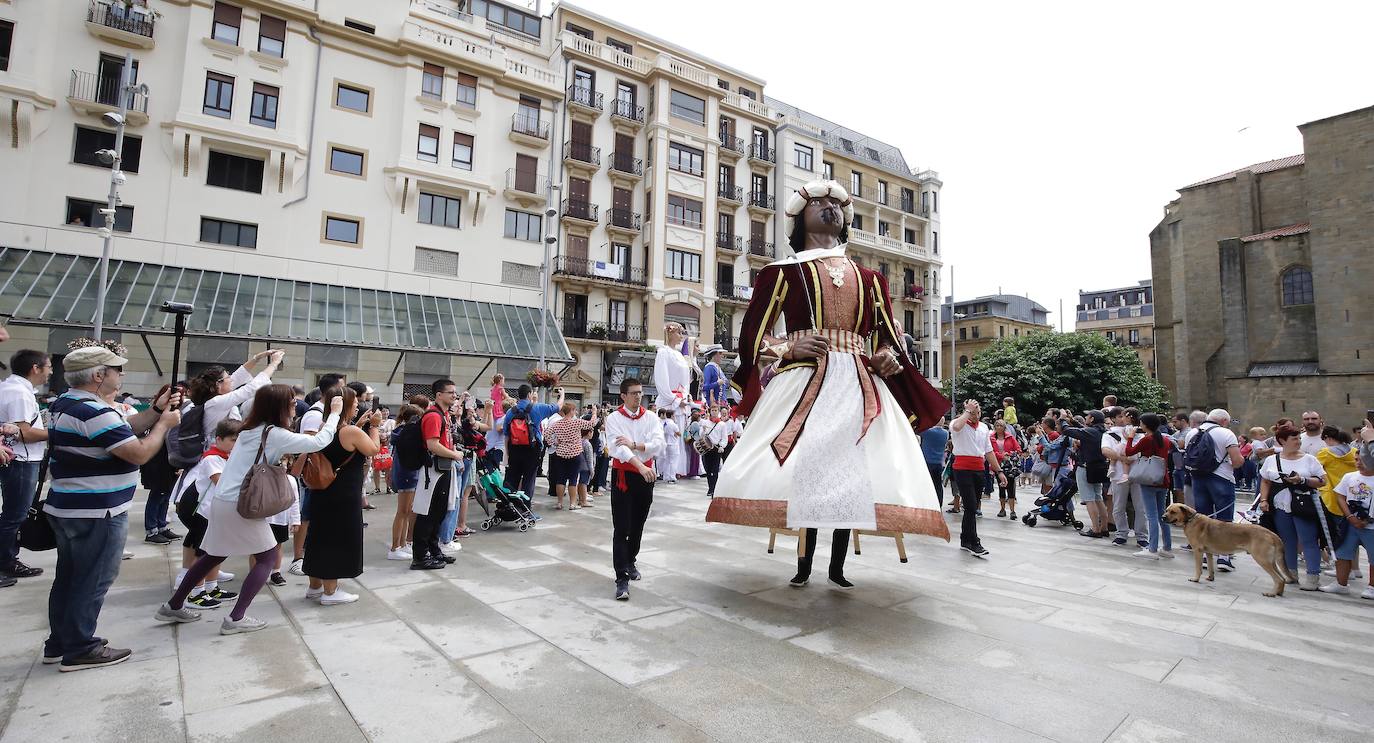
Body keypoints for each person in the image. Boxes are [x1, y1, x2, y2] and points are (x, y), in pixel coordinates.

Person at [707, 178, 951, 580]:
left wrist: (888, 357)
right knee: (807, 471)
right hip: (804, 379)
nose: (829, 207)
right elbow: (752, 337)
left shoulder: (871, 278)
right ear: (799, 216)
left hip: (858, 382)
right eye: (818, 201)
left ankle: (837, 568)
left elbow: (890, 339)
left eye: (836, 203)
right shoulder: (781, 272)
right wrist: (788, 349)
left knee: (849, 474)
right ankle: (803, 567)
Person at [157, 385, 340, 634]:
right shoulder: (272, 433)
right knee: (266, 558)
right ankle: (236, 618)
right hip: (240, 503)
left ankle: (174, 604)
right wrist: (334, 414)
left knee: (213, 555)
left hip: (224, 501)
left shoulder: (249, 428)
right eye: (291, 402)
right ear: (279, 406)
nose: (295, 405)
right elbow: (319, 441)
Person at [45, 346, 181, 669]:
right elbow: (137, 452)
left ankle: (60, 641)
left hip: (69, 507)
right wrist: (163, 426)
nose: (121, 376)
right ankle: (80, 646)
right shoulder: (95, 411)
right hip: (97, 510)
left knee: (69, 576)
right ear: (98, 375)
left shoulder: (69, 403)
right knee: (93, 578)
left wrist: (156, 411)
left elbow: (121, 431)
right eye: (116, 370)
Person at [304, 386, 380, 605]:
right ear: (346, 405)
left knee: (319, 536)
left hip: (323, 491)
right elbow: (373, 449)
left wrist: (359, 425)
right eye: (355, 402)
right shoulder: (350, 432)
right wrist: (373, 426)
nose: (358, 405)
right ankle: (330, 591)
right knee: (337, 538)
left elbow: (340, 447)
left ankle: (315, 587)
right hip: (343, 494)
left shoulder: (325, 427)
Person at [604, 378, 663, 601]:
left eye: (640, 393)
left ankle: (630, 560)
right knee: (621, 527)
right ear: (623, 396)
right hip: (625, 476)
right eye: (634, 393)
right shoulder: (613, 418)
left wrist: (636, 445)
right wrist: (638, 463)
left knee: (638, 524)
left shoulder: (650, 418)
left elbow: (659, 444)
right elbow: (618, 448)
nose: (638, 396)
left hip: (645, 476)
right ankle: (621, 578)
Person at [171, 419, 242, 606]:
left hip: (213, 512)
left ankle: (211, 587)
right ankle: (196, 593)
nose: (236, 445)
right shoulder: (212, 458)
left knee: (216, 550)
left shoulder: (226, 457)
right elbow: (223, 484)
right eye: (233, 440)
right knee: (203, 553)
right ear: (219, 439)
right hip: (201, 512)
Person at [0, 349, 52, 584]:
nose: (50, 371)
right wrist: (56, 433)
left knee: (13, 514)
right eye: (48, 366)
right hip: (21, 460)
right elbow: (23, 433)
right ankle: (6, 562)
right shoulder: (19, 393)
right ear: (35, 368)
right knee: (15, 515)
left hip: (18, 459)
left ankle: (8, 559)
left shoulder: (13, 388)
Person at [1258, 424, 1328, 590]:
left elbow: (1323, 481)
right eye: (1294, 438)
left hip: (1303, 503)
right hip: (1280, 504)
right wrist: (1264, 500)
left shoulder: (1309, 459)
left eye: (1299, 438)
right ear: (1282, 441)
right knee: (1287, 540)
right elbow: (1265, 481)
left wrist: (1302, 480)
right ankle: (1290, 573)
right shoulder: (1271, 459)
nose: (1298, 441)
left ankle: (1313, 576)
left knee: (1308, 539)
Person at [288, 372, 344, 576]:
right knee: (306, 515)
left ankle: (305, 553)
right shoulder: (316, 413)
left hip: (320, 472)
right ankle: (297, 558)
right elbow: (309, 444)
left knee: (312, 516)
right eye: (341, 388)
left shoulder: (326, 412)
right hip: (312, 473)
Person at [411, 380, 464, 570]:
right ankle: (420, 556)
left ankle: (433, 550)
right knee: (428, 513)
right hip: (433, 470)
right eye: (450, 392)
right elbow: (433, 445)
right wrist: (455, 455)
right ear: (439, 395)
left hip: (443, 468)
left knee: (439, 512)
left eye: (455, 393)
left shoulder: (445, 415)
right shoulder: (434, 416)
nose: (454, 396)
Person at [1184, 408, 1245, 571]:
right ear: (1224, 421)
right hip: (1222, 478)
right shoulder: (1226, 433)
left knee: (1203, 517)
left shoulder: (1192, 432)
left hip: (1197, 478)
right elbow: (1237, 460)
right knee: (1224, 519)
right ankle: (1224, 557)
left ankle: (1205, 555)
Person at [950, 401, 1006, 556]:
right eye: (972, 412)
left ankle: (965, 539)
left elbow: (988, 451)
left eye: (978, 412)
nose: (976, 415)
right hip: (962, 468)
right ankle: (974, 541)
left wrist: (999, 471)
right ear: (966, 411)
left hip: (979, 469)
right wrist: (967, 411)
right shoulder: (958, 423)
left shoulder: (984, 427)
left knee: (972, 507)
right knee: (970, 505)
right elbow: (956, 427)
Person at [1323, 440, 1374, 598]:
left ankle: (1372, 586)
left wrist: (1367, 519)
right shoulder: (1349, 476)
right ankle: (1341, 583)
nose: (1359, 463)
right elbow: (1340, 496)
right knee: (1343, 552)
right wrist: (1349, 516)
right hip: (1350, 522)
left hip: (1370, 525)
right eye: (1357, 459)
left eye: (1363, 460)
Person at [1124, 413, 1175, 559]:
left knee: (1151, 515)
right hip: (1163, 479)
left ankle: (1152, 549)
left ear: (1145, 425)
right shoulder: (1165, 440)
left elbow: (1129, 452)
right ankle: (1167, 547)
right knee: (1162, 515)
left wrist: (1130, 437)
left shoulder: (1147, 439)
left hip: (1148, 479)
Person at [501, 384, 563, 499]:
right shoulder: (537, 408)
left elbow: (506, 435)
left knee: (513, 479)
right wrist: (562, 394)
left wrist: (508, 453)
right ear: (529, 394)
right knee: (529, 479)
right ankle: (526, 507)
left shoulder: (510, 412)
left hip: (514, 449)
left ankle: (511, 508)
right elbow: (558, 407)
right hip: (532, 449)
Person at [654, 322, 697, 479]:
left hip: (681, 401)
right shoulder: (663, 352)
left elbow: (685, 381)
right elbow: (661, 380)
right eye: (679, 333)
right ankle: (665, 471)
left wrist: (686, 396)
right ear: (670, 333)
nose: (681, 336)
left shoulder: (679, 354)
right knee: (668, 439)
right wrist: (675, 399)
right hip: (669, 403)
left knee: (678, 439)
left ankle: (677, 469)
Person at [1104, 407, 1147, 547]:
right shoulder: (1109, 434)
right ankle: (1121, 533)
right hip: (1117, 474)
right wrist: (1123, 458)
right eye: (1121, 416)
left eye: (1126, 416)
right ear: (1114, 418)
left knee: (1140, 507)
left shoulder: (1139, 433)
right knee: (1118, 506)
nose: (1124, 418)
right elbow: (1105, 451)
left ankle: (1142, 536)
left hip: (1138, 473)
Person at [1063, 410, 1111, 537]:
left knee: (1089, 499)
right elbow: (1083, 429)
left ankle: (1095, 529)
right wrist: (1073, 420)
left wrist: (1063, 420)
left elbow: (1068, 431)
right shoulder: (1102, 431)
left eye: (1087, 416)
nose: (1085, 417)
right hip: (1099, 467)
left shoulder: (1091, 432)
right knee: (1098, 497)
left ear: (1092, 419)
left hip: (1086, 467)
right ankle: (1104, 527)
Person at [387, 404, 423, 561]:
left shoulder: (401, 432)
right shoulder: (406, 433)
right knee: (403, 511)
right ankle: (395, 547)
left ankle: (402, 544)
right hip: (407, 474)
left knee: (406, 512)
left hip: (406, 473)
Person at [548, 402, 597, 509]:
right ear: (571, 411)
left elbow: (547, 434)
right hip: (575, 454)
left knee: (560, 479)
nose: (575, 412)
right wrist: (594, 412)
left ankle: (559, 503)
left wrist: (554, 442)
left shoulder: (557, 424)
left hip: (560, 454)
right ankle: (572, 503)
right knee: (573, 480)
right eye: (574, 410)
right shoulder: (576, 423)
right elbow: (591, 424)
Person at [990, 419, 1021, 519]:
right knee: (1001, 487)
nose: (999, 427)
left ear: (1004, 427)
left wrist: (1011, 454)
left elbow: (1018, 448)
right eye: (997, 425)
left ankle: (1012, 510)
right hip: (998, 465)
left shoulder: (1010, 437)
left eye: (1001, 426)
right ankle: (1002, 509)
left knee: (1011, 487)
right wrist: (1001, 455)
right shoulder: (991, 438)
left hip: (1009, 465)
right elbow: (991, 451)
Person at [698, 404, 730, 497]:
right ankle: (710, 487)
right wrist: (703, 430)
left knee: (715, 469)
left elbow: (724, 438)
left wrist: (722, 446)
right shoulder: (705, 423)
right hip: (707, 448)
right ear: (710, 411)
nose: (714, 412)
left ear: (718, 412)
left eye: (716, 410)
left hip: (716, 448)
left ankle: (714, 489)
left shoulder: (722, 424)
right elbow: (700, 435)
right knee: (708, 469)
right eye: (713, 410)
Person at [657, 409, 680, 483]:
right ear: (672, 416)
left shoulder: (664, 423)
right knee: (673, 461)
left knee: (667, 460)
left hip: (666, 443)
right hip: (673, 443)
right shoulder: (673, 424)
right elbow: (679, 433)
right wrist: (675, 434)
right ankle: (672, 477)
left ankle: (666, 476)